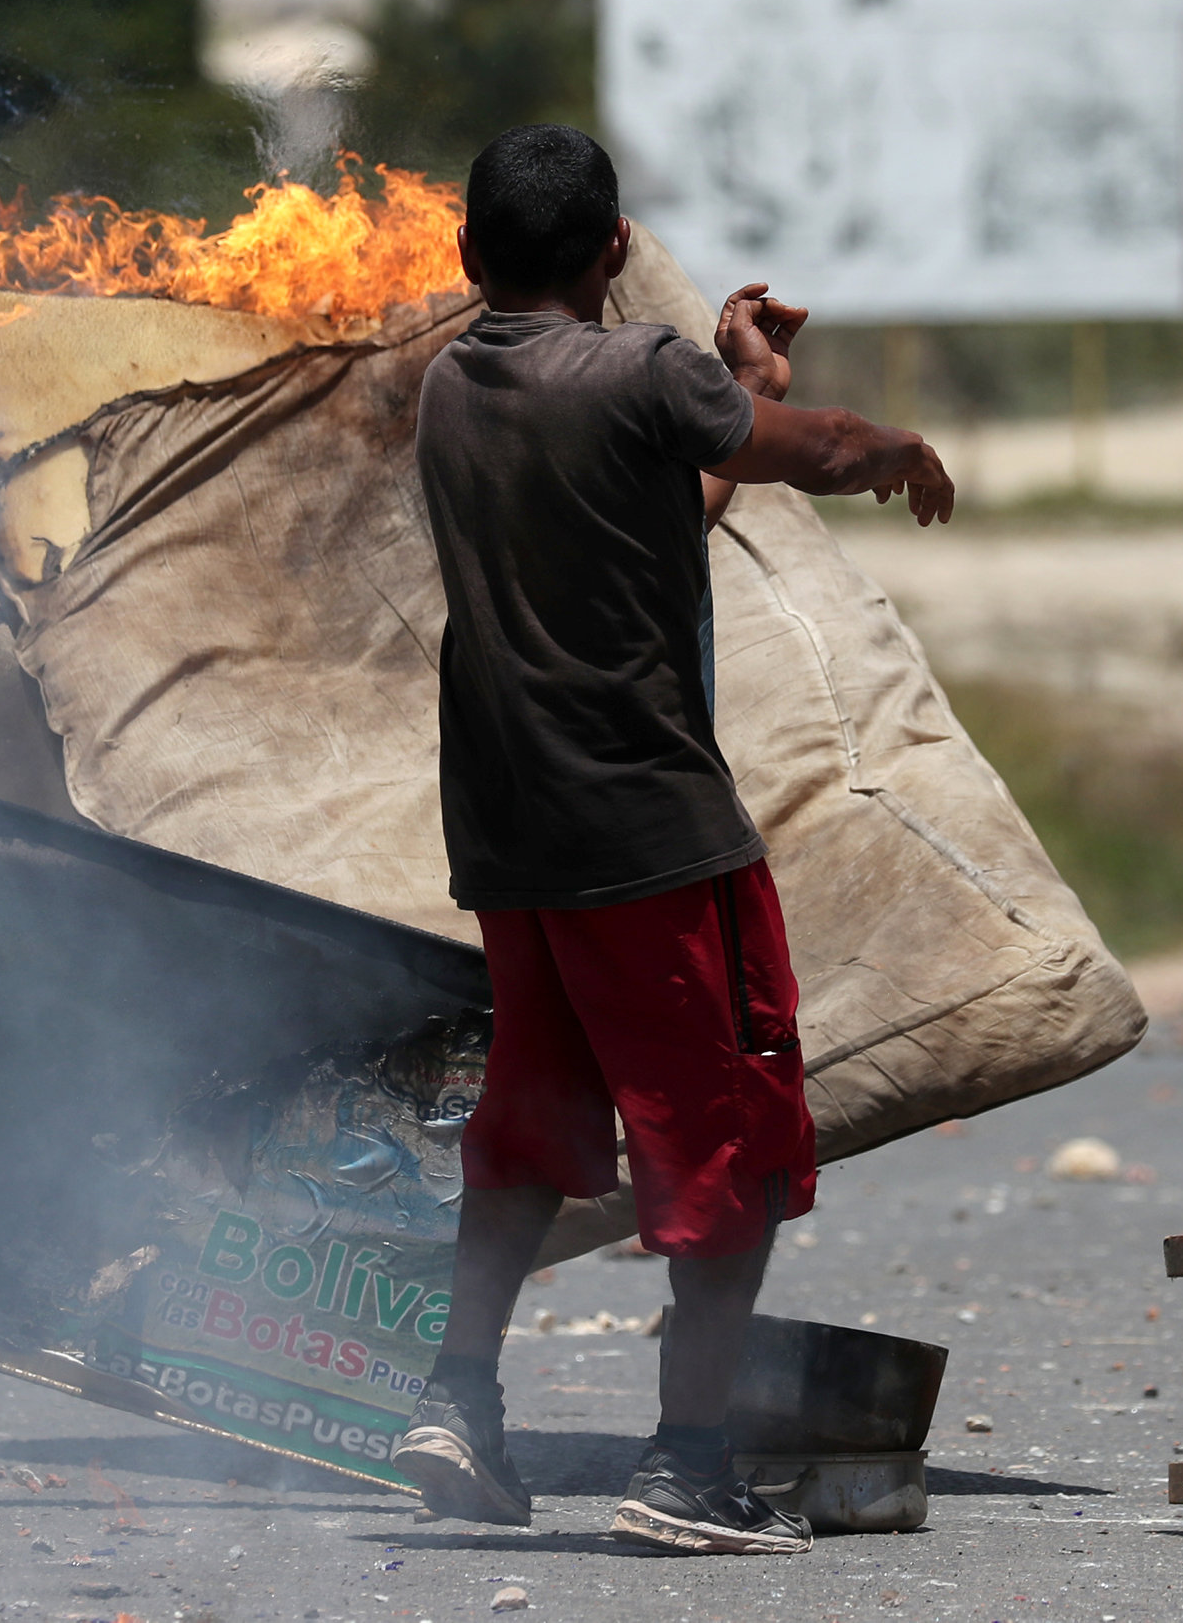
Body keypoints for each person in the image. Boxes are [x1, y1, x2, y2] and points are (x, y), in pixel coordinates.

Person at [399, 125, 957, 1555]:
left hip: (511, 836)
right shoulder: (646, 370)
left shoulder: (452, 389)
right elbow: (811, 455)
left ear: (468, 257)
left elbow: (671, 498)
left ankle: (457, 1397)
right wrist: (885, 442)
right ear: (615, 250)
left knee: (524, 1120)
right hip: (646, 825)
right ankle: (687, 1458)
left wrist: (740, 380)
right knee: (735, 1139)